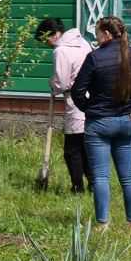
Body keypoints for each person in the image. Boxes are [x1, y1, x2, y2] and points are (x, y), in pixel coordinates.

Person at [69, 15, 131, 234]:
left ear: (105, 34)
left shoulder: (95, 57)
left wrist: (89, 108)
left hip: (99, 123)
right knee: (128, 175)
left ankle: (103, 224)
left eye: (96, 34)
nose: (96, 38)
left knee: (101, 176)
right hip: (126, 121)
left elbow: (77, 90)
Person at [37, 16, 93, 194]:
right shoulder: (83, 43)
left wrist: (53, 85)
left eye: (45, 38)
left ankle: (78, 187)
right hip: (92, 98)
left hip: (75, 100)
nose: (46, 43)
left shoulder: (61, 50)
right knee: (85, 146)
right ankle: (94, 183)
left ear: (54, 34)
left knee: (72, 149)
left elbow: (61, 82)